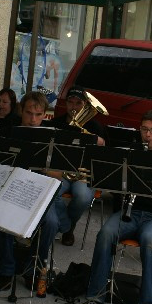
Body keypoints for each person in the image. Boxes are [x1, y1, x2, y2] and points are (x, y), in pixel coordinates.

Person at [77, 109, 152, 304]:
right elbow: (114, 185)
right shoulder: (130, 152)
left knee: (150, 240)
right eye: (144, 129)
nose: (147, 135)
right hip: (130, 211)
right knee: (105, 233)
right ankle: (96, 296)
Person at [0, 91, 58, 293]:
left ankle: (33, 267)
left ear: (45, 115)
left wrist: (43, 165)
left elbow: (59, 175)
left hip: (42, 188)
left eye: (38, 115)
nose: (32, 120)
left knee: (51, 222)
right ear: (21, 110)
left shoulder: (52, 136)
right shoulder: (9, 131)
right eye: (29, 113)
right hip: (13, 186)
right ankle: (7, 267)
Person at [46, 86, 106, 246]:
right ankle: (66, 225)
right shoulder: (57, 123)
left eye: (78, 103)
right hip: (60, 170)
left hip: (84, 174)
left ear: (85, 105)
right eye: (70, 102)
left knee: (83, 197)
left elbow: (102, 155)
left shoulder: (95, 127)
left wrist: (97, 141)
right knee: (52, 191)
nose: (73, 107)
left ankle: (69, 228)